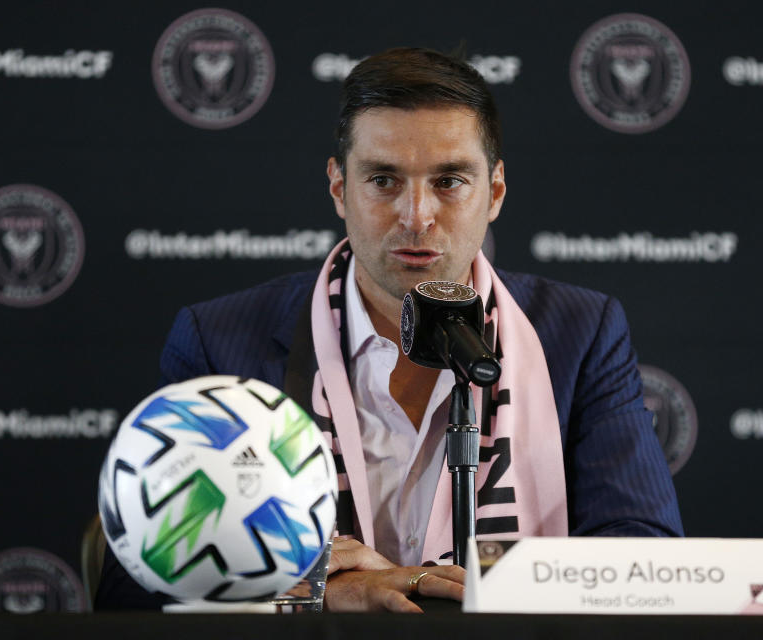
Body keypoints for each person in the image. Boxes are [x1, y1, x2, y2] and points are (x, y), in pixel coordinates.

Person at [96, 47, 682, 613]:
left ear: (495, 192)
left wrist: (444, 590)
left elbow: (644, 559)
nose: (416, 215)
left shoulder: (580, 332)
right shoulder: (219, 339)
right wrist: (311, 589)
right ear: (338, 189)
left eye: (450, 181)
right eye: (383, 180)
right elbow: (135, 590)